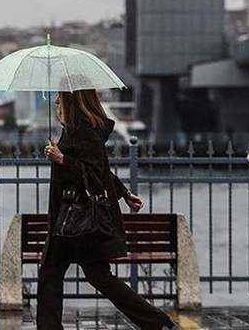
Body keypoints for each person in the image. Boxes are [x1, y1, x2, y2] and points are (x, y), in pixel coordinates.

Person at [38, 90, 176, 330]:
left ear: (73, 100)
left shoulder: (86, 133)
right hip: (68, 219)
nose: (57, 100)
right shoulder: (72, 131)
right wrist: (123, 193)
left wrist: (63, 160)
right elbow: (101, 171)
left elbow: (93, 174)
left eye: (61, 96)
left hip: (80, 219)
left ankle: (156, 321)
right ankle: (156, 322)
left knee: (96, 277)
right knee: (51, 273)